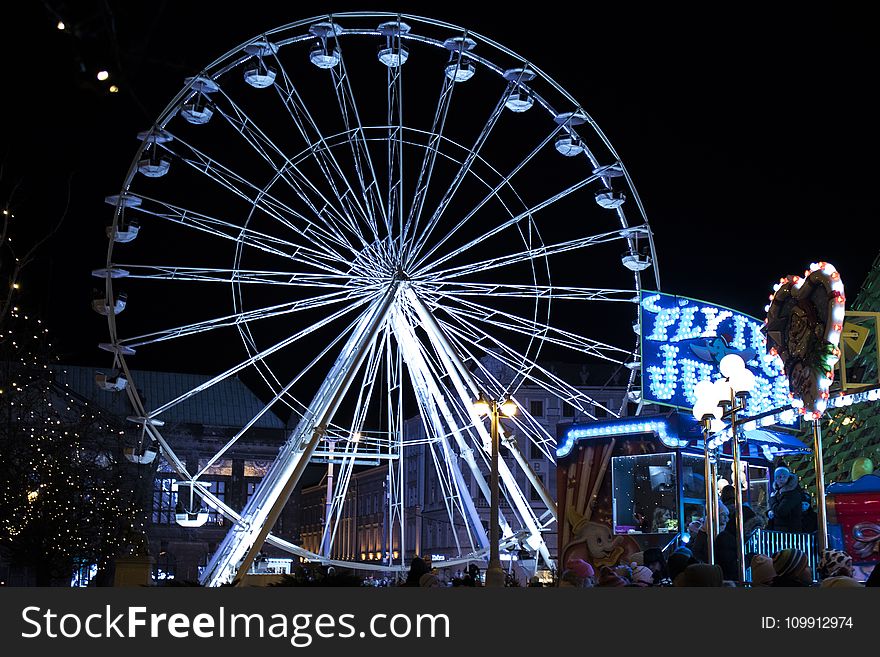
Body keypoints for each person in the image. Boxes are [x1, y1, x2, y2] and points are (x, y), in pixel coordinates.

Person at [768, 466, 803, 532]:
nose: (781, 479)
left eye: (784, 477)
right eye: (779, 477)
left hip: (790, 532)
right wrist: (770, 512)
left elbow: (780, 511)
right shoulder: (778, 492)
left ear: (788, 478)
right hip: (781, 531)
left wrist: (772, 499)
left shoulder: (792, 493)